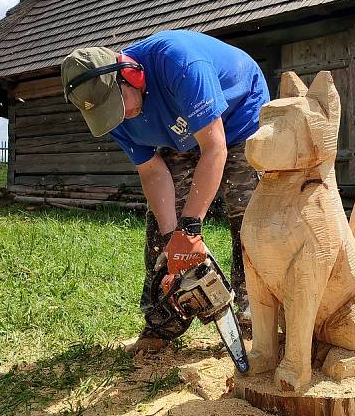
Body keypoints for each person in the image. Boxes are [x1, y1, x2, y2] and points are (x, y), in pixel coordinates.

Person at [61, 29, 270, 352]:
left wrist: (191, 227)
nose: (121, 117)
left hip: (237, 116)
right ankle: (163, 323)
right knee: (162, 237)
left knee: (248, 219)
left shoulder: (179, 62)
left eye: (119, 106)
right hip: (180, 132)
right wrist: (175, 238)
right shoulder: (113, 117)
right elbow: (152, 170)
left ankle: (252, 318)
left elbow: (214, 148)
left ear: (128, 75)